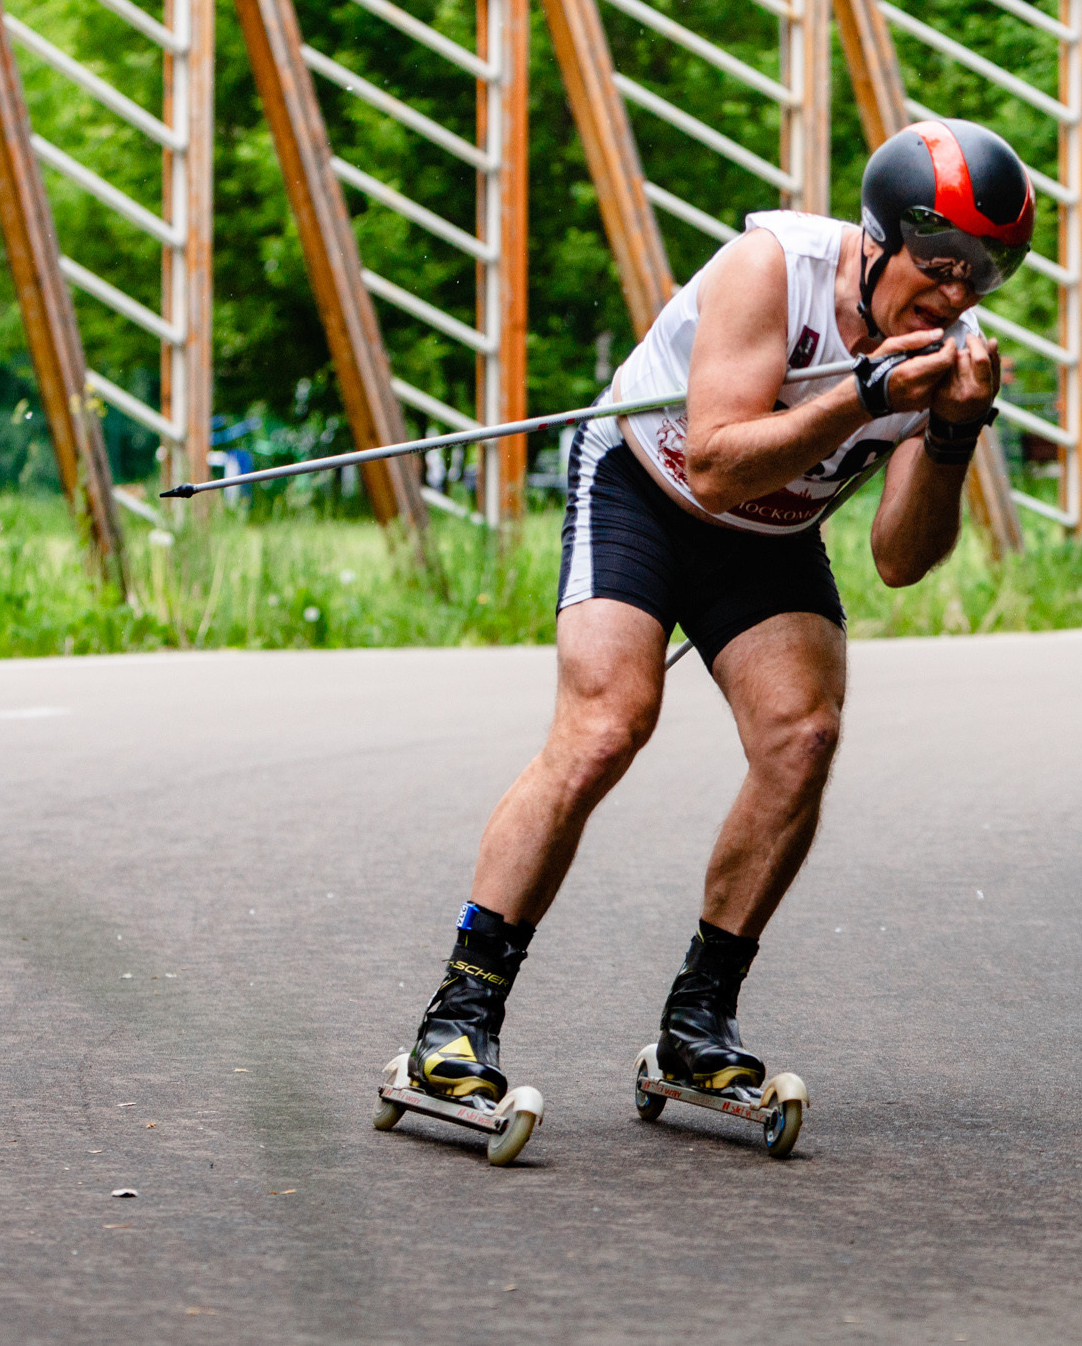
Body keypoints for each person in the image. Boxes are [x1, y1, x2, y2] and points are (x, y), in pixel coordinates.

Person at [399, 115, 1035, 1109]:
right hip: (648, 488)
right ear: (877, 235)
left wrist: (951, 433)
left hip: (771, 537)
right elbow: (719, 464)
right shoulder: (769, 267)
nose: (954, 293)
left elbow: (900, 560)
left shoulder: (945, 358)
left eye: (984, 272)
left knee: (803, 737)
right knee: (606, 726)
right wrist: (862, 396)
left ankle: (698, 1025)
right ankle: (457, 1019)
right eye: (940, 259)